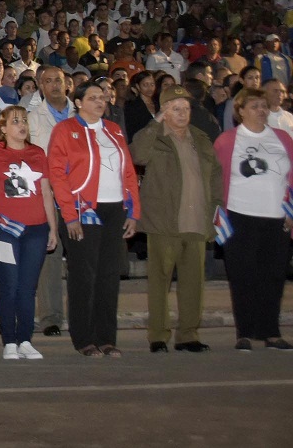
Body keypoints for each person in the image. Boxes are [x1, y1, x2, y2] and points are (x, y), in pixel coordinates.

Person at [47, 81, 140, 357]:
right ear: (78, 102)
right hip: (83, 209)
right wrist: (69, 214)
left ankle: (107, 337)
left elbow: (129, 173)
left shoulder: (113, 130)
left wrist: (134, 212)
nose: (101, 102)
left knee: (109, 275)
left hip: (114, 209)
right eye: (93, 97)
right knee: (83, 276)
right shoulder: (64, 130)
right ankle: (84, 338)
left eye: (103, 97)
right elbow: (57, 175)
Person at [130, 85, 223, 353]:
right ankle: (158, 335)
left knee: (193, 283)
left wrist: (216, 206)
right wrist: (155, 122)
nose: (182, 114)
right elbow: (136, 154)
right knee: (160, 281)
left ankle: (188, 335)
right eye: (175, 109)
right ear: (164, 111)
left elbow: (216, 174)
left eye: (186, 108)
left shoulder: (201, 138)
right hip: (164, 220)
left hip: (196, 219)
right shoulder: (154, 137)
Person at [213, 87, 293, 351]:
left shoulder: (282, 138)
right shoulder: (227, 140)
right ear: (240, 111)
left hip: (276, 218)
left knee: (273, 277)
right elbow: (215, 181)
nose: (261, 110)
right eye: (255, 106)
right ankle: (244, 332)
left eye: (263, 106)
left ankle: (270, 332)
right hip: (240, 217)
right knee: (242, 276)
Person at [0, 105, 58, 360]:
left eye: (24, 120)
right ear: (3, 128)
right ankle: (9, 341)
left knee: (27, 287)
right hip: (5, 229)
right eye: (15, 121)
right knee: (8, 286)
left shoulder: (37, 153)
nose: (21, 125)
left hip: (36, 228)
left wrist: (53, 229)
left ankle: (25, 339)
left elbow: (46, 192)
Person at [25, 65, 73, 338]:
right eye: (48, 81)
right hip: (48, 194)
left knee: (81, 256)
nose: (55, 85)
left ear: (67, 84)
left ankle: (80, 313)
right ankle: (51, 316)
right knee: (51, 256)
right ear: (41, 87)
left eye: (59, 80)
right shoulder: (33, 119)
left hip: (80, 196)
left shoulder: (83, 115)